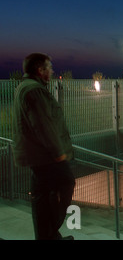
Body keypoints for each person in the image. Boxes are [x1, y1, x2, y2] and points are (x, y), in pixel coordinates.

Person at [12, 53, 75, 240]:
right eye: (49, 67)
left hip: (37, 155)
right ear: (40, 70)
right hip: (46, 156)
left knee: (42, 195)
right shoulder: (34, 90)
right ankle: (48, 234)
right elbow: (43, 125)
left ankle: (48, 235)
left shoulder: (24, 87)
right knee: (66, 182)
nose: (52, 71)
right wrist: (59, 154)